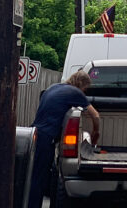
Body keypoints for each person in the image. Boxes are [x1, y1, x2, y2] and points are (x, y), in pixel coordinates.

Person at [27, 70, 101, 208]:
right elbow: (95, 115)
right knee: (39, 178)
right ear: (80, 84)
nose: (84, 92)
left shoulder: (53, 87)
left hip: (34, 134)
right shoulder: (75, 92)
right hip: (46, 138)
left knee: (32, 176)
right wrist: (96, 133)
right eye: (85, 89)